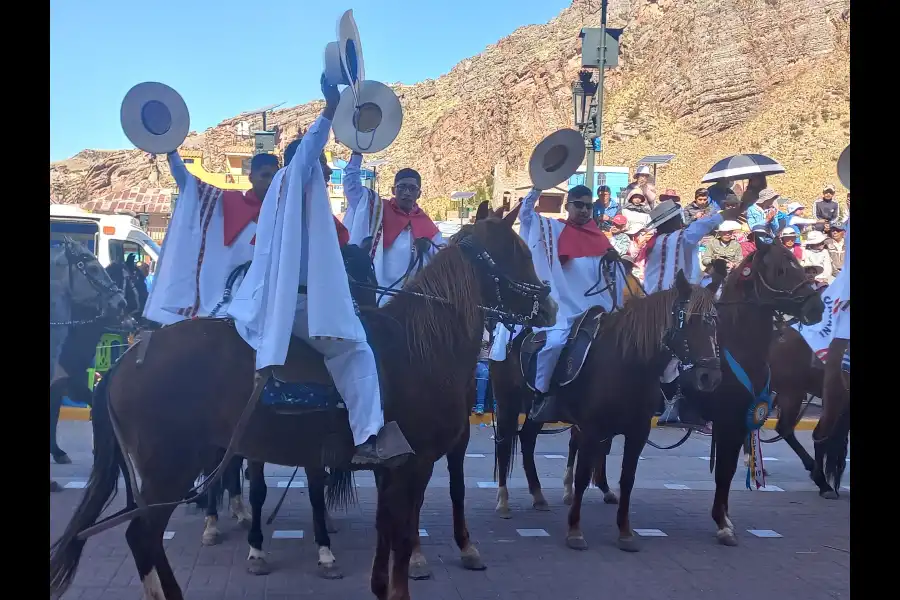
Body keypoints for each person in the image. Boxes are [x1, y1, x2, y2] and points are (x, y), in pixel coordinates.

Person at [225, 76, 409, 467]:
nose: (326, 175)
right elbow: (307, 153)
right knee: (356, 348)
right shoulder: (293, 182)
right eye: (323, 168)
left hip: (286, 299)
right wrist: (329, 109)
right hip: (296, 305)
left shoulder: (292, 199)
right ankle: (368, 439)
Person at [516, 184, 622, 422]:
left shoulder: (600, 237)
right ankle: (541, 394)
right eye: (579, 205)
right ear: (568, 206)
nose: (584, 210)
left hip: (597, 307)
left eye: (588, 206)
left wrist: (614, 263)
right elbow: (526, 216)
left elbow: (609, 279)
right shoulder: (552, 228)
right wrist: (537, 188)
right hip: (563, 306)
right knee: (554, 343)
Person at [639, 197, 747, 427]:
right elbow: (700, 227)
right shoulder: (679, 238)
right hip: (674, 303)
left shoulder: (659, 242)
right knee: (694, 346)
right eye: (678, 218)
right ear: (671, 221)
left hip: (653, 303)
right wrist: (728, 213)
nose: (681, 221)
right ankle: (682, 405)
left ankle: (671, 404)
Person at [345, 155, 443, 306]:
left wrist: (428, 246)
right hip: (376, 292)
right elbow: (352, 188)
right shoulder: (377, 208)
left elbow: (442, 254)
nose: (407, 193)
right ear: (393, 190)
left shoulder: (426, 223)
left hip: (410, 299)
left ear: (419, 193)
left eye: (412, 188)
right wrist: (357, 153)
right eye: (401, 187)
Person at [474, 328, 492, 415]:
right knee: (483, 373)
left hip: (493, 362)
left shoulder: (498, 330)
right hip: (479, 362)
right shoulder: (478, 330)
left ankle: (497, 405)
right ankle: (480, 405)